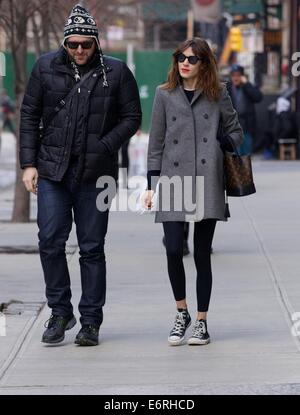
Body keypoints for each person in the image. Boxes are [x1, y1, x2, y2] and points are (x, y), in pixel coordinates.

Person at [20, 4, 141, 346]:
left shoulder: (115, 72)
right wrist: (29, 165)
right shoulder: (45, 67)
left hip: (97, 175)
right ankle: (60, 312)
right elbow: (29, 115)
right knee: (50, 241)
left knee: (91, 248)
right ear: (64, 44)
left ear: (96, 43)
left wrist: (104, 145)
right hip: (53, 173)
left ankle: (90, 321)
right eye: (73, 45)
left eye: (85, 45)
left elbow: (132, 117)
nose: (79, 51)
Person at [143, 38, 243, 346]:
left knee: (202, 253)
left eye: (192, 58)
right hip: (173, 180)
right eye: (180, 57)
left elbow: (237, 132)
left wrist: (220, 144)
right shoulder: (163, 94)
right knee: (174, 248)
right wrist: (150, 185)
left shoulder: (218, 93)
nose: (185, 63)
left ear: (204, 63)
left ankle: (201, 321)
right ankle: (181, 312)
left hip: (207, 179)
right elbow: (155, 142)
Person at [227, 64, 263, 155]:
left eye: (238, 75)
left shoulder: (247, 86)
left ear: (242, 76)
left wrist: (246, 84)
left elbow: (258, 97)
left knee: (246, 154)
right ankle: (236, 169)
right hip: (232, 126)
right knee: (235, 154)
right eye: (233, 75)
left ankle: (245, 169)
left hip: (247, 125)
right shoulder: (227, 88)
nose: (235, 78)